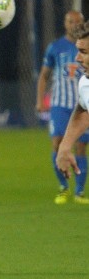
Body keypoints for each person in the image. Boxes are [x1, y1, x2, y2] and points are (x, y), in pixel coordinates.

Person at [36, 10, 88, 204]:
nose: (77, 59)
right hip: (60, 103)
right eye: (70, 21)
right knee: (57, 143)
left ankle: (79, 191)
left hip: (78, 102)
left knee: (81, 146)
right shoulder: (55, 48)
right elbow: (44, 75)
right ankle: (64, 187)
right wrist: (40, 100)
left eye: (77, 21)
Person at [56, 21, 89, 183]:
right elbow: (83, 109)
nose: (77, 58)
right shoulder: (85, 83)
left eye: (83, 52)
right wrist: (66, 145)